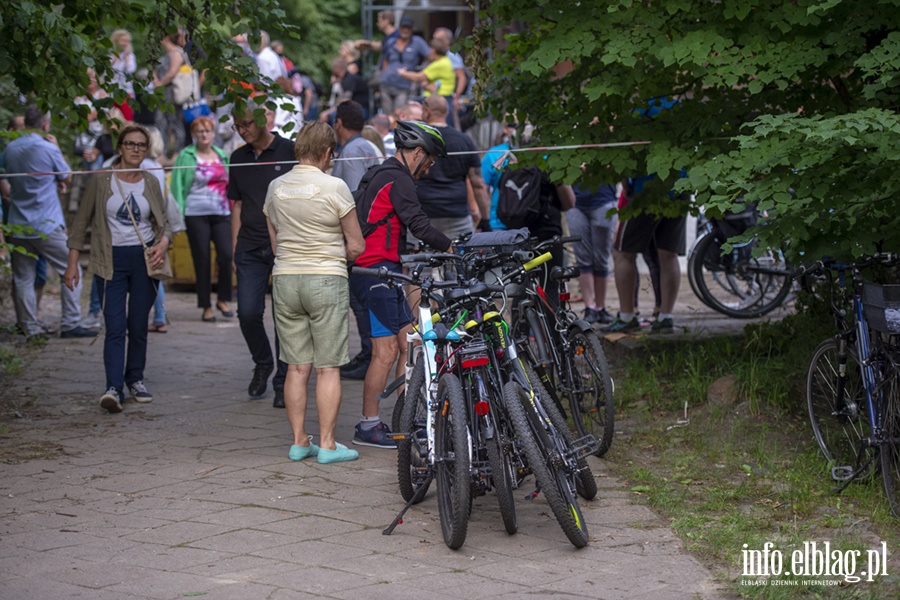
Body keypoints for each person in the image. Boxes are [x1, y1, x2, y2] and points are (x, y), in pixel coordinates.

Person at [263, 121, 366, 464]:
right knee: (328, 368)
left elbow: (275, 243)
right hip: (325, 279)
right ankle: (327, 444)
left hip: (286, 279)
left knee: (295, 367)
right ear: (326, 152)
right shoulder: (335, 187)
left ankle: (298, 441)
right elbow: (356, 245)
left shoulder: (275, 187)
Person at [349, 121, 452, 448]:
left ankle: (407, 417)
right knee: (386, 350)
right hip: (374, 273)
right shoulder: (398, 178)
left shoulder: (384, 173)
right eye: (430, 160)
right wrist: (451, 247)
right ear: (418, 152)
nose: (429, 168)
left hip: (384, 270)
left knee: (408, 342)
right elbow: (418, 224)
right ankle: (367, 424)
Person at [64, 123, 170, 412]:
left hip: (144, 261)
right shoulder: (101, 181)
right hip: (108, 261)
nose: (136, 149)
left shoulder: (151, 181)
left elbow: (164, 223)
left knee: (138, 325)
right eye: (130, 144)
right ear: (120, 147)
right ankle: (113, 387)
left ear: (146, 150)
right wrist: (72, 265)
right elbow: (80, 224)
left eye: (141, 145)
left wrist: (163, 244)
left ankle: (135, 379)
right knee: (114, 326)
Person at [0, 106, 96, 340]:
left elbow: (8, 180)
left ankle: (29, 327)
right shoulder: (47, 147)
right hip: (46, 224)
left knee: (23, 277)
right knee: (69, 268)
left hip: (18, 223)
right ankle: (71, 323)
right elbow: (67, 175)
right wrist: (56, 149)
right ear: (45, 125)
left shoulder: (9, 149)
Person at [228, 99, 295, 408]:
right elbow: (237, 205)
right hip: (250, 246)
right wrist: (234, 247)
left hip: (285, 245)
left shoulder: (289, 151)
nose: (242, 131)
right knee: (248, 313)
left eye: (246, 125)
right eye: (237, 126)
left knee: (284, 316)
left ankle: (283, 381)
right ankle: (263, 361)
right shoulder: (237, 157)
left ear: (262, 120)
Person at [330, 101, 383, 381]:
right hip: (372, 233)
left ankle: (367, 354)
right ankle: (368, 353)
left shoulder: (351, 151)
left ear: (338, 122)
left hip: (360, 235)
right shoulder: (367, 146)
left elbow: (350, 197)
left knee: (359, 298)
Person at [171, 116, 233, 323]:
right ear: (194, 135)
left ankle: (223, 298)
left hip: (222, 212)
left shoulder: (222, 155)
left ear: (213, 134)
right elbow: (177, 187)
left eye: (207, 131)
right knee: (202, 259)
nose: (204, 135)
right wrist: (176, 217)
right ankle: (206, 305)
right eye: (200, 132)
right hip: (195, 213)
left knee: (226, 255)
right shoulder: (186, 156)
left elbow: (230, 184)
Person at [410, 95, 489, 246]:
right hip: (456, 213)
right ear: (446, 112)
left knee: (420, 264)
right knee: (458, 263)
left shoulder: (415, 140)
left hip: (422, 212)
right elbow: (478, 183)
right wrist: (485, 219)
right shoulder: (464, 140)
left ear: (427, 111)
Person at [142, 127, 184, 333]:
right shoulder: (157, 167)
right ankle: (159, 316)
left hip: (146, 225)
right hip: (159, 224)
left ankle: (151, 316)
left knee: (149, 272)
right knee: (156, 271)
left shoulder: (142, 167)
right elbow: (167, 199)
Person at [569, 180, 618, 324]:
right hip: (575, 204)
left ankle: (600, 307)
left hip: (604, 201)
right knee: (582, 258)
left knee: (601, 258)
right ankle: (589, 307)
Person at [376, 15, 429, 116]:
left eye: (408, 28)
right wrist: (383, 76)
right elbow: (385, 60)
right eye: (403, 27)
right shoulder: (391, 42)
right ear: (399, 28)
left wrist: (422, 74)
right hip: (386, 83)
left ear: (412, 29)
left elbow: (430, 56)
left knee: (400, 114)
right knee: (386, 116)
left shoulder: (417, 42)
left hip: (404, 86)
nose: (405, 30)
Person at [398, 37, 455, 116]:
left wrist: (402, 73)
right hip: (440, 99)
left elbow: (418, 77)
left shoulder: (439, 64)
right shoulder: (445, 61)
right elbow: (427, 79)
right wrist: (426, 85)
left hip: (439, 101)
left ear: (433, 50)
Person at [151, 32, 188, 155]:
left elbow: (172, 72)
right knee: (161, 122)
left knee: (175, 122)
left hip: (172, 94)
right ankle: (162, 151)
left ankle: (178, 152)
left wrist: (160, 83)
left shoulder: (177, 53)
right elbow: (155, 70)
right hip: (162, 95)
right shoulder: (165, 54)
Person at [432, 28, 467, 129]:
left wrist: (456, 97)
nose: (435, 42)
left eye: (438, 40)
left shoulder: (452, 56)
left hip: (447, 98)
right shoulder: (435, 56)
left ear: (447, 41)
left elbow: (462, 78)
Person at [318, 57, 370, 124]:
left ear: (337, 68)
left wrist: (328, 112)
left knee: (331, 117)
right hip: (356, 109)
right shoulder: (347, 79)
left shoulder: (349, 79)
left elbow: (345, 100)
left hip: (359, 110)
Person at [109, 29, 137, 120]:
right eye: (123, 41)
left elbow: (131, 69)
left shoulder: (130, 56)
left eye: (127, 41)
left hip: (126, 93)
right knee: (112, 119)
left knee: (127, 119)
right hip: (112, 93)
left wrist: (127, 56)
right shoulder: (110, 57)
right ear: (116, 42)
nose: (125, 43)